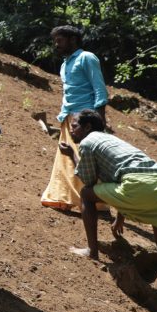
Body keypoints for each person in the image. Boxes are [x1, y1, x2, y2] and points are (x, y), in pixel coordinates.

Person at [59, 109, 157, 312]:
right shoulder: (113, 141)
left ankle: (92, 251)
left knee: (86, 194)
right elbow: (121, 175)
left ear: (88, 127)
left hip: (137, 186)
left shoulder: (89, 142)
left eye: (75, 126)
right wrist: (120, 217)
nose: (71, 130)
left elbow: (89, 181)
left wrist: (72, 155)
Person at [40, 25, 108, 212]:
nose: (56, 44)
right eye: (55, 41)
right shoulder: (65, 64)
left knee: (86, 160)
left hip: (86, 120)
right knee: (66, 158)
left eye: (60, 40)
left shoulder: (87, 58)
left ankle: (97, 204)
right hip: (68, 117)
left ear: (73, 40)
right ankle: (64, 198)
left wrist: (99, 120)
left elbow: (100, 89)